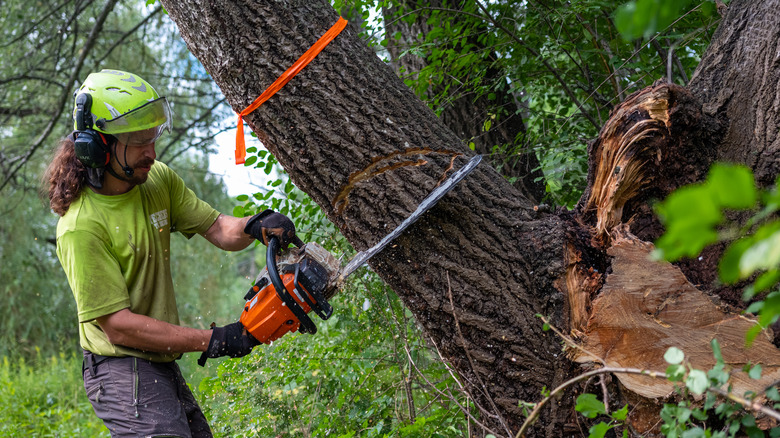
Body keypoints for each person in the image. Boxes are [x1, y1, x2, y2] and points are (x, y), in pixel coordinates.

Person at [43, 69, 300, 437]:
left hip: (157, 359)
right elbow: (117, 326)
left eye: (153, 137)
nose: (151, 152)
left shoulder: (156, 179)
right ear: (97, 145)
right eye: (137, 141)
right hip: (119, 368)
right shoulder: (81, 226)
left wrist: (254, 225)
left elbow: (217, 228)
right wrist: (213, 339)